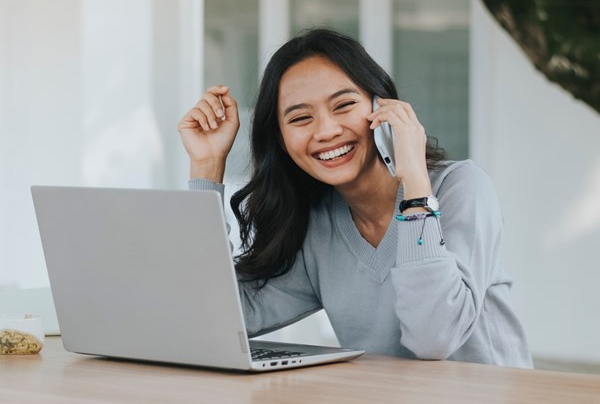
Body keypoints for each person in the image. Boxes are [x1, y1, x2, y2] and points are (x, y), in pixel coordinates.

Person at [177, 28, 532, 367]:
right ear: (282, 142)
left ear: (383, 107)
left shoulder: (462, 188)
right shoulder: (318, 225)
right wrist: (207, 168)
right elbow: (213, 316)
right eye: (301, 118)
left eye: (344, 105)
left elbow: (434, 337)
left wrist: (415, 186)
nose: (327, 131)